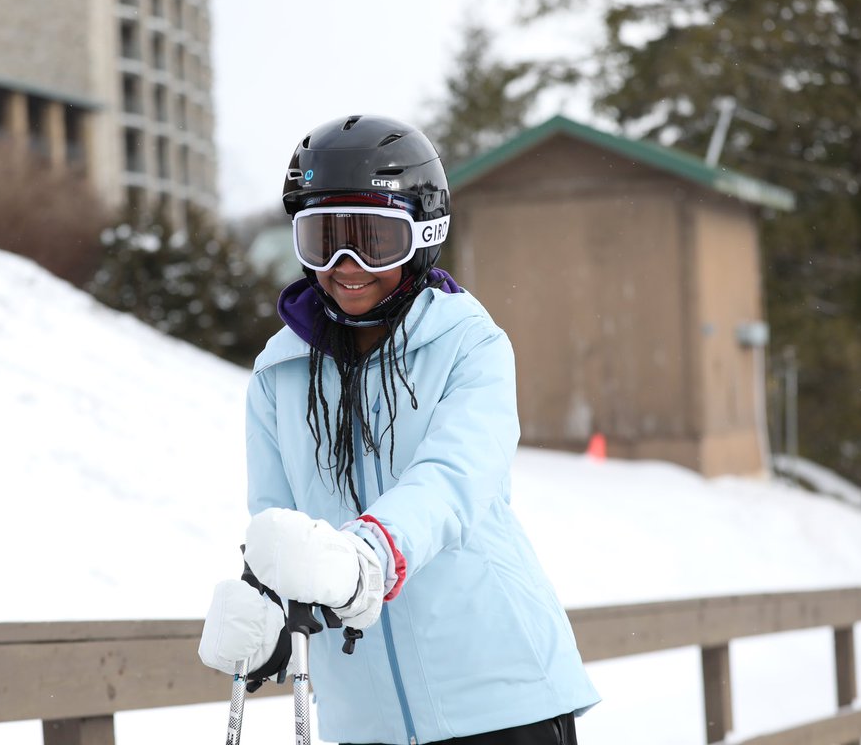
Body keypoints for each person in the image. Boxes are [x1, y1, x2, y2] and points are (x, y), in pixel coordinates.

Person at [199, 114, 599, 745]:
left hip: (500, 701)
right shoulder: (278, 376)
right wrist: (265, 602)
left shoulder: (471, 346)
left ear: (423, 236)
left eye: (373, 241)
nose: (346, 265)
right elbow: (278, 522)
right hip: (367, 722)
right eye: (322, 239)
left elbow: (453, 479)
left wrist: (370, 554)